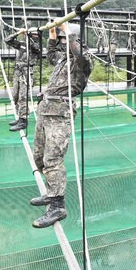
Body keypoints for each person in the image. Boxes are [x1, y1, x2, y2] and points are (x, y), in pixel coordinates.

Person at [30, 22, 93, 228]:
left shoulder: (82, 60)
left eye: (66, 40)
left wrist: (69, 32)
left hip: (60, 112)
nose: (64, 43)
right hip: (45, 110)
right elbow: (50, 55)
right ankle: (51, 191)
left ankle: (58, 206)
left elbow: (80, 56)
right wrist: (52, 34)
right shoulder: (62, 59)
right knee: (38, 156)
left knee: (52, 159)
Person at [5, 28, 41, 131]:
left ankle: (23, 119)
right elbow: (7, 40)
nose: (32, 36)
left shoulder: (36, 46)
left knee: (23, 97)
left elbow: (35, 47)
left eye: (34, 34)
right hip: (18, 71)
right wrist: (18, 33)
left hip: (26, 72)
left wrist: (29, 36)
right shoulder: (22, 44)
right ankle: (19, 116)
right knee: (15, 95)